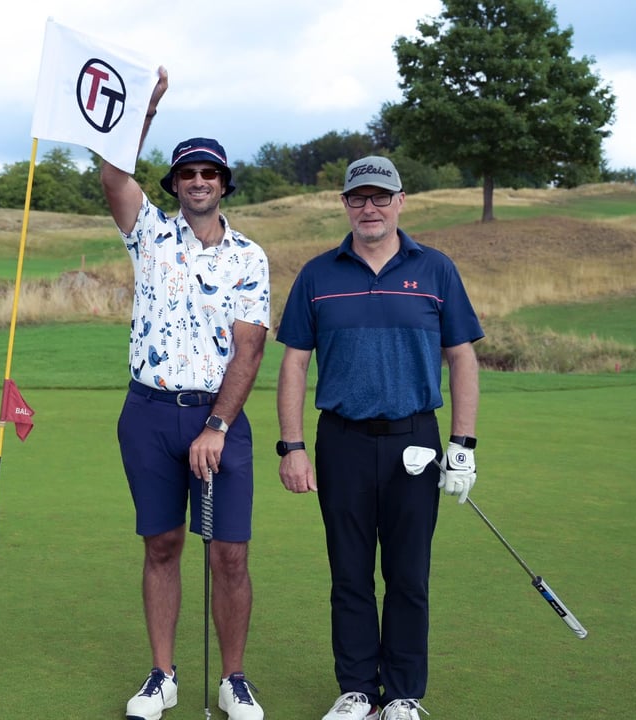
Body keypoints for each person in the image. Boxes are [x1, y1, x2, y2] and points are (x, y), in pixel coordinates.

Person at [275, 156, 483, 720]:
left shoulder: (435, 270)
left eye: (380, 197)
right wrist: (291, 447)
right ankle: (358, 690)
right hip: (340, 441)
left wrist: (462, 445)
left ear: (400, 201)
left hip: (415, 441)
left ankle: (404, 695)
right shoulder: (318, 275)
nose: (369, 208)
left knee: (409, 574)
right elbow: (294, 365)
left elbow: (462, 357)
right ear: (344, 204)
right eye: (358, 198)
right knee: (349, 572)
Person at [100, 67, 270, 720]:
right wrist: (140, 111)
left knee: (228, 553)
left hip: (216, 418)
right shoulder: (149, 233)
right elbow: (115, 177)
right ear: (175, 185)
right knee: (162, 545)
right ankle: (162, 675)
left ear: (224, 183)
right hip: (147, 413)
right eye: (188, 174)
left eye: (210, 174)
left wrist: (218, 426)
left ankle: (234, 680)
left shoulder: (249, 257)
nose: (199, 183)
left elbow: (249, 349)